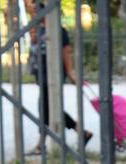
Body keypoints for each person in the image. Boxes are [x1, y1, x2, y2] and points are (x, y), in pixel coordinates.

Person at [26, 2, 92, 155]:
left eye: (36, 12)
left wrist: (70, 73)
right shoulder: (38, 30)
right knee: (51, 108)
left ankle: (41, 144)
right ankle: (82, 132)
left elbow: (66, 52)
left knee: (45, 108)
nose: (34, 15)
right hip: (41, 74)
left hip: (53, 74)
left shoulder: (58, 31)